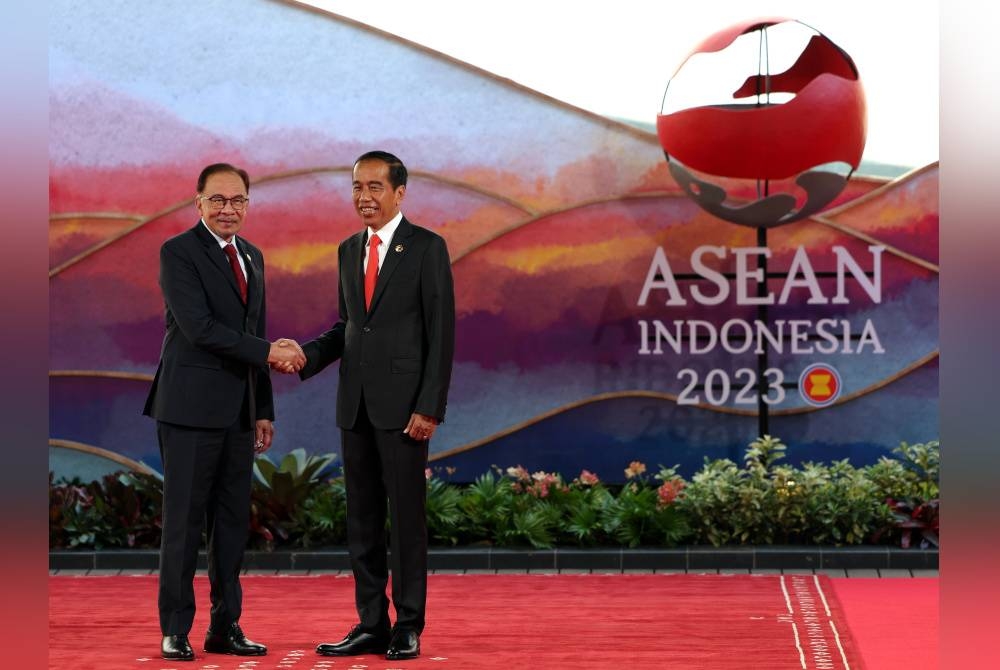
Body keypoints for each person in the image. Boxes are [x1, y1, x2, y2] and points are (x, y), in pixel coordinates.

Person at [286, 151, 455, 661]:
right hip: (354, 406)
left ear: (400, 193)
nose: (365, 196)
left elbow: (440, 334)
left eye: (375, 187)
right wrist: (307, 356)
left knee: (405, 521)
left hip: (405, 410)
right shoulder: (346, 250)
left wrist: (429, 407)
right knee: (360, 520)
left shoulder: (426, 248)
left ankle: (408, 624)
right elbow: (349, 328)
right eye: (357, 186)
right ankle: (370, 623)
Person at [143, 163, 305, 662]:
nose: (228, 209)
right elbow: (200, 329)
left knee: (232, 526)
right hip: (189, 411)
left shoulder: (252, 256)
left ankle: (225, 626)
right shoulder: (179, 253)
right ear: (198, 203)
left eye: (237, 200)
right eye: (217, 200)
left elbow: (255, 328)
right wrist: (270, 353)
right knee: (184, 525)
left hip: (238, 414)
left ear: (247, 204)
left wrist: (263, 409)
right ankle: (175, 629)